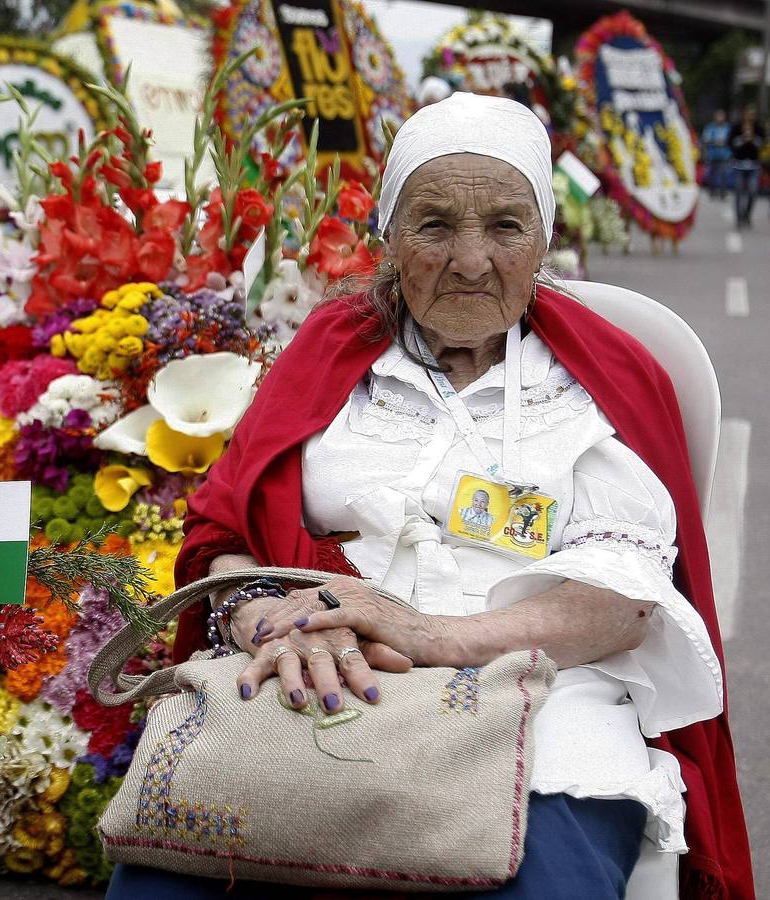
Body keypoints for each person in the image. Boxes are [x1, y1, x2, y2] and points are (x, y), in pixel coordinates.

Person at [108, 93, 752, 900]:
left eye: (507, 227)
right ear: (389, 238)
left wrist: (431, 636)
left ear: (545, 243)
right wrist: (273, 617)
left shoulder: (599, 382)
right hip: (319, 682)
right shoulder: (328, 357)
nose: (471, 260)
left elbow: (621, 601)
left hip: (540, 706)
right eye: (436, 225)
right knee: (170, 879)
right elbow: (224, 530)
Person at [730, 104, 763, 229]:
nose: (751, 116)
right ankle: (738, 218)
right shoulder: (736, 127)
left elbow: (761, 144)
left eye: (753, 114)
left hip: (754, 165)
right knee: (738, 192)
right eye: (749, 113)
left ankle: (747, 215)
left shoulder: (758, 128)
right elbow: (731, 143)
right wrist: (743, 139)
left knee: (753, 192)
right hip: (738, 164)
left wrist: (752, 138)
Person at [699, 109, 731, 199]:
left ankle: (723, 192)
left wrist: (725, 142)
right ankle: (712, 191)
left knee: (724, 174)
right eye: (718, 116)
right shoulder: (710, 127)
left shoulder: (728, 127)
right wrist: (715, 141)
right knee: (713, 174)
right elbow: (705, 139)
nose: (720, 118)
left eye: (721, 116)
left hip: (725, 155)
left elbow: (731, 139)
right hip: (713, 154)